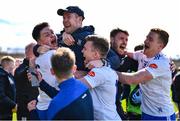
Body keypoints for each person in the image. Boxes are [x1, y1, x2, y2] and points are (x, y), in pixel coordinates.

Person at [118, 28, 175, 120]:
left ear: (160, 46)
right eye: (146, 37)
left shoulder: (162, 62)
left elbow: (133, 79)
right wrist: (122, 51)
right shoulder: (143, 54)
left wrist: (108, 72)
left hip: (161, 115)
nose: (145, 41)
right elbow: (132, 54)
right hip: (146, 113)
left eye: (150, 39)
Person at [34, 6, 95, 78]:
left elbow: (109, 59)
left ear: (79, 19)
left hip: (82, 85)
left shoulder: (90, 38)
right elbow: (41, 43)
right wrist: (37, 48)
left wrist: (88, 74)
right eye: (64, 18)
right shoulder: (59, 38)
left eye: (68, 17)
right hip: (60, 85)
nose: (65, 20)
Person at [42, 47, 93, 120]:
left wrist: (32, 111)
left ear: (52, 71)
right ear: (74, 68)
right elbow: (68, 97)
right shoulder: (83, 87)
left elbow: (64, 98)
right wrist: (42, 83)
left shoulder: (55, 104)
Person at [106, 28, 138, 119]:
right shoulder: (102, 54)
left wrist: (169, 65)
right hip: (102, 105)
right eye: (121, 38)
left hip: (116, 103)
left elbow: (145, 64)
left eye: (126, 39)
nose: (124, 42)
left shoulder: (127, 58)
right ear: (112, 39)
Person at [30, 22, 59, 120]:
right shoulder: (52, 54)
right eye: (47, 35)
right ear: (39, 42)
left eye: (52, 32)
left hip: (42, 106)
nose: (51, 35)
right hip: (55, 106)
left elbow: (34, 83)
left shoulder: (36, 59)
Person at [14, 43, 39, 120]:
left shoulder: (33, 66)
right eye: (35, 50)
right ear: (28, 53)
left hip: (34, 106)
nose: (37, 52)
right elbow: (34, 83)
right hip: (25, 108)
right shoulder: (21, 69)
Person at [0, 56, 17, 120]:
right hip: (2, 113)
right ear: (8, 65)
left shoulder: (8, 75)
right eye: (13, 64)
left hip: (8, 111)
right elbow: (1, 95)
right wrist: (13, 104)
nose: (14, 66)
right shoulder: (1, 76)